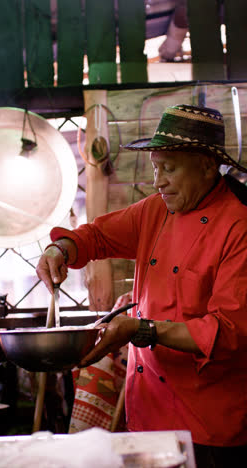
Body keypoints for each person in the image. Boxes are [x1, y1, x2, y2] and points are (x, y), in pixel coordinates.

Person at [37, 104, 247, 468]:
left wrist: (142, 329)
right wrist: (61, 248)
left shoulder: (238, 226)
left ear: (208, 166)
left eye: (170, 168)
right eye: (155, 166)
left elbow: (229, 331)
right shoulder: (155, 210)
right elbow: (96, 236)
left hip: (210, 426)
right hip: (148, 414)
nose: (157, 181)